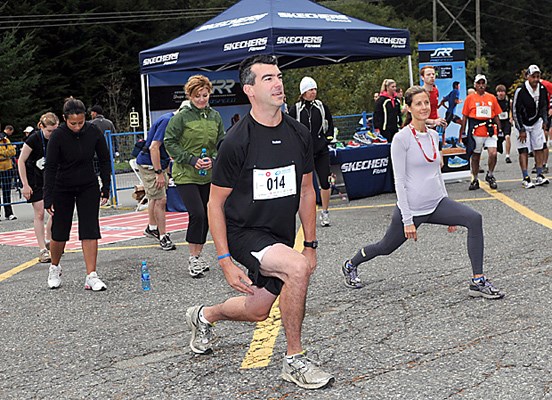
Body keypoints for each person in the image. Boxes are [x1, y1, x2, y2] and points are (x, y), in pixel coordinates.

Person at [185, 55, 334, 390]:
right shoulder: (237, 141)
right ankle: (294, 360)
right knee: (296, 269)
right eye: (268, 78)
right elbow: (215, 203)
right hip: (244, 232)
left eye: (279, 76)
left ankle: (203, 316)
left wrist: (310, 245)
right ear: (249, 89)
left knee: (257, 311)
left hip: (280, 235)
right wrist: (224, 260)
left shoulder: (299, 133)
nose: (278, 83)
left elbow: (307, 191)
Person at [341, 85, 504, 300]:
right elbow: (398, 180)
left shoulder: (433, 135)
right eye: (418, 103)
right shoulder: (401, 139)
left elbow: (436, 172)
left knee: (474, 219)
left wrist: (449, 208)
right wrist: (408, 220)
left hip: (436, 204)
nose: (424, 107)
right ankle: (351, 263)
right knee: (385, 247)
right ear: (408, 108)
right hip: (412, 209)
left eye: (426, 102)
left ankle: (478, 280)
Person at [43, 97, 111, 291]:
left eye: (81, 122)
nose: (77, 126)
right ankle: (54, 267)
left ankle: (91, 275)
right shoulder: (58, 136)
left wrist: (105, 186)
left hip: (88, 185)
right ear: (65, 119)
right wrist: (48, 196)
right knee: (60, 231)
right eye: (73, 123)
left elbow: (105, 159)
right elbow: (50, 167)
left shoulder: (93, 131)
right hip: (62, 186)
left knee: (90, 229)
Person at [164, 75, 225, 278]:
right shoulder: (181, 117)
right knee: (197, 213)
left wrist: (214, 159)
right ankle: (193, 257)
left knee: (209, 214)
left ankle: (198, 255)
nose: (201, 99)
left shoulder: (215, 116)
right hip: (185, 174)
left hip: (207, 174)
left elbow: (221, 141)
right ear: (189, 96)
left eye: (205, 95)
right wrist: (190, 159)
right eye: (197, 96)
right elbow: (169, 142)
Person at [288, 76, 334, 227]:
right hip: (303, 153)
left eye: (315, 89)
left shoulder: (321, 107)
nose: (313, 92)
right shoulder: (296, 109)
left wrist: (326, 140)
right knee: (304, 185)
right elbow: (290, 129)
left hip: (321, 151)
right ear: (303, 92)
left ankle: (325, 212)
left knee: (325, 182)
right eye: (310, 90)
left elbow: (330, 126)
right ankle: (305, 215)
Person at [17, 113, 58, 263]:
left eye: (55, 130)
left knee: (55, 211)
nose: (52, 134)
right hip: (35, 179)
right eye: (49, 131)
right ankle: (42, 249)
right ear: (41, 127)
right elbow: (21, 161)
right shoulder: (33, 139)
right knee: (40, 212)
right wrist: (25, 185)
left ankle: (49, 239)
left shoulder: (58, 137)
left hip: (52, 179)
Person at [136, 111, 177, 251]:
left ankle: (152, 227)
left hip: (158, 163)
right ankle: (162, 235)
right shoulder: (167, 121)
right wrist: (159, 172)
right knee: (161, 199)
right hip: (150, 164)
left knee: (154, 196)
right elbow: (154, 147)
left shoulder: (170, 119)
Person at [459, 74, 502, 191]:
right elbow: (465, 117)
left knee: (493, 153)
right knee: (476, 156)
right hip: (476, 130)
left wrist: (500, 129)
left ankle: (490, 174)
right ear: (475, 85)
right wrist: (462, 132)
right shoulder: (470, 98)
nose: (481, 86)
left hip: (490, 129)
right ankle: (475, 178)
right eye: (479, 83)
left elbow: (496, 115)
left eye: (483, 83)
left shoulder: (492, 98)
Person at [512, 65, 550, 188]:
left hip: (536, 121)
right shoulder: (521, 90)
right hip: (523, 121)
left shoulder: (542, 89)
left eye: (538, 76)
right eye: (533, 76)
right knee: (523, 149)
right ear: (527, 76)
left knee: (539, 147)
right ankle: (525, 177)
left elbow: (544, 106)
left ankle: (539, 174)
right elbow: (515, 111)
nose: (535, 79)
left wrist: (545, 120)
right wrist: (520, 128)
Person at [373, 79, 401, 143]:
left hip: (395, 127)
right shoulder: (381, 100)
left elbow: (398, 113)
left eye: (395, 86)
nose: (394, 88)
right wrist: (377, 127)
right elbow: (377, 114)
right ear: (387, 88)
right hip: (384, 128)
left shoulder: (396, 100)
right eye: (392, 87)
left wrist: (400, 123)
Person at [0, 125, 17, 220]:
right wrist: (6, 153)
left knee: (7, 192)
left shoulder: (6, 140)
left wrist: (4, 153)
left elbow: (13, 152)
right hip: (2, 168)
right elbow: (8, 152)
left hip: (7, 168)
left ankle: (9, 213)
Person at [495, 84, 513, 163]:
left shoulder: (508, 101)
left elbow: (511, 110)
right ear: (497, 93)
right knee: (497, 139)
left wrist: (511, 118)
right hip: (497, 121)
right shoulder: (494, 101)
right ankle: (495, 152)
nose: (501, 93)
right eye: (499, 92)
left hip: (506, 121)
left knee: (507, 137)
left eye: (502, 91)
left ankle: (507, 155)